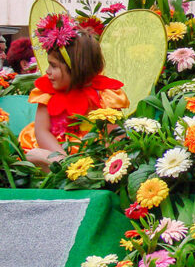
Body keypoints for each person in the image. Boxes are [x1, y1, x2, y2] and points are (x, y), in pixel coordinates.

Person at [19, 14, 129, 169]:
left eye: (54, 66)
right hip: (55, 149)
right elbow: (42, 131)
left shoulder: (105, 95)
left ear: (77, 68)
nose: (47, 71)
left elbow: (112, 135)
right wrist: (64, 161)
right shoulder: (47, 93)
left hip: (92, 152)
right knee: (34, 155)